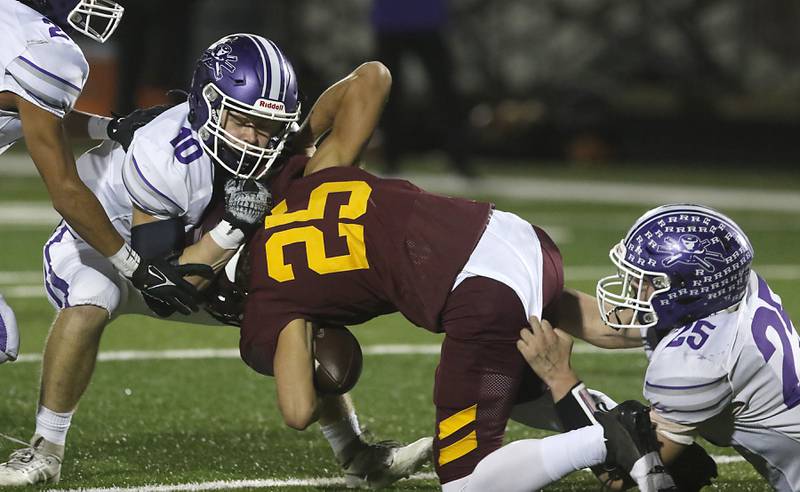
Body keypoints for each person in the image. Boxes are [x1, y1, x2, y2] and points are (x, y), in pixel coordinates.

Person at [0, 34, 430, 488]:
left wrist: (301, 137)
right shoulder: (165, 152)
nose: (256, 139)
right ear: (209, 104)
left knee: (294, 299)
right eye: (244, 121)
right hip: (106, 239)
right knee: (92, 298)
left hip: (192, 244)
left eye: (268, 125)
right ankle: (45, 449)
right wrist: (231, 229)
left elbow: (373, 78)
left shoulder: (272, 143)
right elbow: (166, 287)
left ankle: (355, 452)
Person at [237, 57, 680, 490]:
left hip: (481, 290)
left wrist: (295, 338)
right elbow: (373, 76)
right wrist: (298, 138)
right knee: (522, 388)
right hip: (512, 236)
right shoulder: (313, 175)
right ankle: (695, 332)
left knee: (467, 481)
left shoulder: (270, 294)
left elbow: (298, 412)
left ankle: (608, 437)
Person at [522, 204, 800, 491]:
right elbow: (607, 326)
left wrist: (559, 379)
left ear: (686, 289)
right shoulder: (731, 291)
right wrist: (524, 292)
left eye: (648, 281)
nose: (633, 287)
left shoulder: (698, 362)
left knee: (634, 430)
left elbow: (624, 474)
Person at [0, 0, 208, 366]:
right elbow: (66, 192)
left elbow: (35, 115)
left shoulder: (11, 24)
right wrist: (135, 267)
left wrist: (108, 127)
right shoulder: (42, 52)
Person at [370, 0, 475, 177]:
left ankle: (460, 159)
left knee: (445, 94)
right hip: (393, 21)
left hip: (426, 19)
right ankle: (390, 159)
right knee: (388, 93)